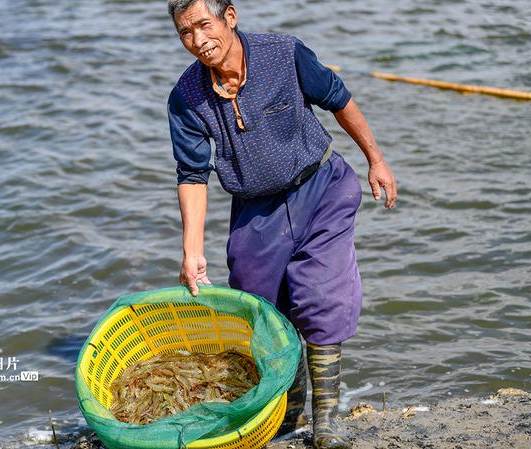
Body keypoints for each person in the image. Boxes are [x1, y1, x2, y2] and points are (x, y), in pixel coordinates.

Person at [166, 1, 397, 447]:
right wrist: (191, 250)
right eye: (185, 33)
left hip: (322, 187)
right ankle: (287, 416)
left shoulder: (283, 54)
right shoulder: (186, 97)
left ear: (229, 17)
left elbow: (339, 98)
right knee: (265, 313)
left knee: (321, 297)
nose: (198, 41)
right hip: (256, 212)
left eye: (203, 25)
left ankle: (326, 423)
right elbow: (192, 175)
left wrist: (377, 160)